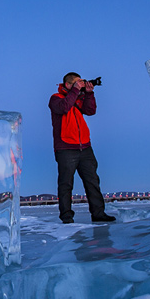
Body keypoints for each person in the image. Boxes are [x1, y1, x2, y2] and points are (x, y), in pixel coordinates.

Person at [49, 72, 116, 224]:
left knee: (92, 181)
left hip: (85, 147)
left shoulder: (78, 99)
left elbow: (91, 111)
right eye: (77, 83)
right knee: (66, 184)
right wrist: (75, 91)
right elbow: (64, 108)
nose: (80, 85)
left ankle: (98, 213)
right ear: (68, 85)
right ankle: (66, 217)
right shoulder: (56, 98)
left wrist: (89, 93)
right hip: (66, 148)